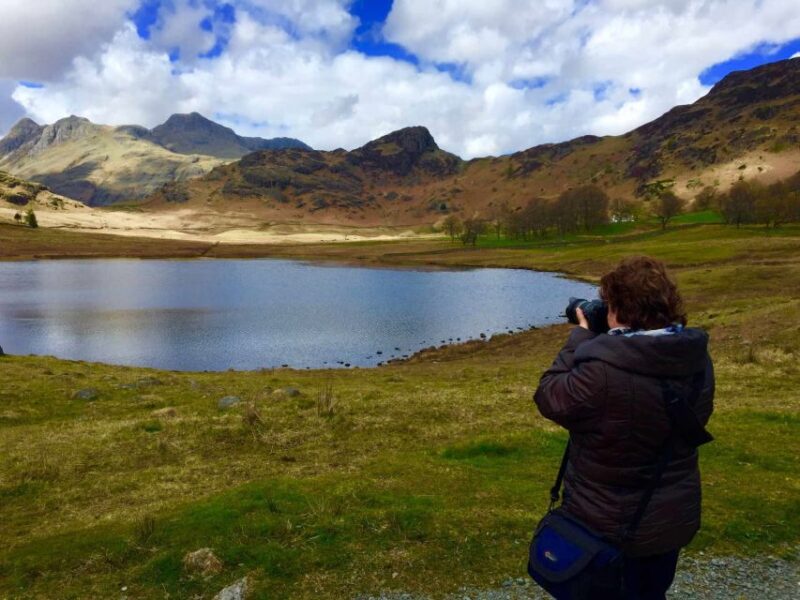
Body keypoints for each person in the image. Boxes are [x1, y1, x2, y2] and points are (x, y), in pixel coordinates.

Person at [533, 256, 714, 599]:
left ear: (619, 309)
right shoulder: (696, 359)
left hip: (607, 526)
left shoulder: (602, 370)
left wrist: (582, 337)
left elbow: (549, 396)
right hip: (669, 519)